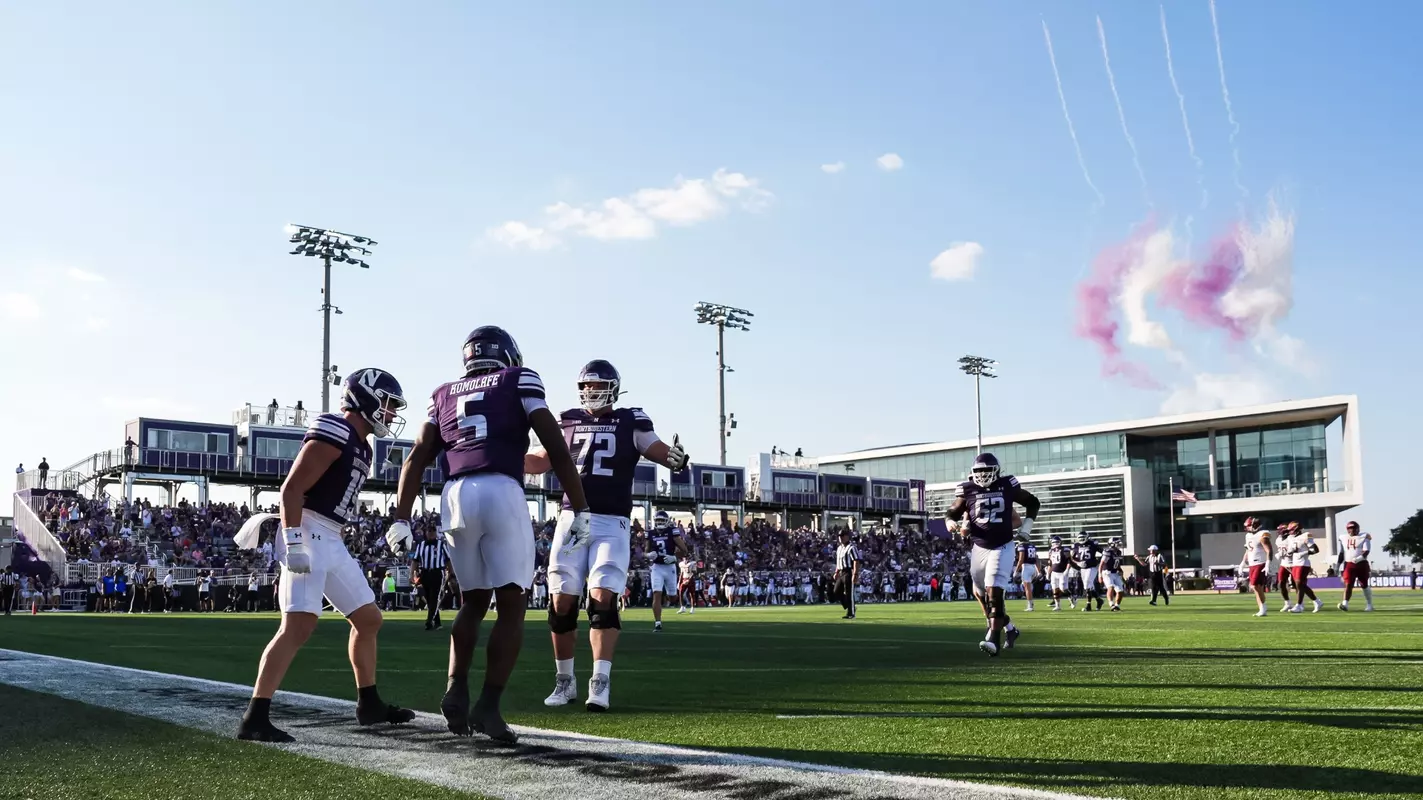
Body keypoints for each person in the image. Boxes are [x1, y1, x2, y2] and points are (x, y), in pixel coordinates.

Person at [387, 326, 589, 741]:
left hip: (455, 494)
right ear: (508, 353)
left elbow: (417, 457)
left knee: (473, 601)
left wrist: (401, 517)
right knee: (511, 605)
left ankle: (455, 687)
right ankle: (489, 708)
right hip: (500, 489)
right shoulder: (519, 378)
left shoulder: (442, 392)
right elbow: (554, 443)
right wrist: (580, 506)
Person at [232, 368, 416, 743]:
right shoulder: (336, 428)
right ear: (365, 397)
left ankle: (369, 704)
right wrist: (294, 541)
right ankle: (255, 717)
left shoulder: (362, 444)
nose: (392, 414)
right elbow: (292, 489)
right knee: (297, 626)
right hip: (309, 532)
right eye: (388, 404)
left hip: (330, 537)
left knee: (369, 619)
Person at [525, 359, 689, 712]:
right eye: (586, 386)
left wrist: (671, 458)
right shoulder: (566, 418)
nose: (591, 392)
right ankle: (564, 680)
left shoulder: (631, 419)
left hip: (611, 521)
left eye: (598, 386)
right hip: (572, 518)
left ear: (613, 387)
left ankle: (600, 681)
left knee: (602, 598)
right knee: (562, 601)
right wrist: (502, 457)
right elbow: (541, 458)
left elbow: (653, 446)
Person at [944, 453, 1042, 656]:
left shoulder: (1007, 485)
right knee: (981, 595)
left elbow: (1032, 503)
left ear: (997, 471)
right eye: (979, 471)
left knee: (994, 592)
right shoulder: (968, 490)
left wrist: (1027, 526)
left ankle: (994, 641)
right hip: (979, 548)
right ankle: (1010, 629)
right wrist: (949, 521)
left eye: (987, 471)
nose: (983, 475)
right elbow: (952, 511)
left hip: (1002, 545)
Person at [646, 511, 688, 632]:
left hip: (670, 567)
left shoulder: (672, 531)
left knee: (672, 597)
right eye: (657, 520)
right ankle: (657, 623)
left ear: (667, 521)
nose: (659, 523)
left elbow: (685, 550)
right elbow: (645, 551)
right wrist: (648, 555)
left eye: (661, 520)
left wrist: (675, 557)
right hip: (657, 567)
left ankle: (678, 599)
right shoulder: (650, 533)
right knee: (656, 593)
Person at [410, 527, 449, 629]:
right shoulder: (421, 545)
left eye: (433, 531)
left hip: (437, 572)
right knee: (428, 598)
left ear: (436, 533)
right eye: (429, 531)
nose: (431, 533)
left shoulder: (441, 544)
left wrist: (451, 573)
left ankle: (429, 620)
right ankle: (437, 623)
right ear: (426, 533)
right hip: (425, 573)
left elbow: (448, 559)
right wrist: (411, 575)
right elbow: (415, 560)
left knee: (434, 597)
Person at [1237, 517, 1273, 617]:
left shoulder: (1263, 534)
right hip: (1252, 564)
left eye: (1248, 526)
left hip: (1260, 563)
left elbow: (1269, 550)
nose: (1247, 528)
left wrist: (1268, 563)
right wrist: (1243, 562)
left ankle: (1263, 608)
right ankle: (1262, 609)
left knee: (1255, 586)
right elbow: (1248, 550)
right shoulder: (1248, 535)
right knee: (1255, 587)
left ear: (1255, 525)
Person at [1337, 520, 1374, 612]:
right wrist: (1337, 565)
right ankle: (1345, 603)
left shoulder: (1364, 536)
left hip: (1361, 563)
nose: (1351, 531)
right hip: (1349, 564)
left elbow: (1366, 551)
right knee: (1348, 584)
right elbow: (1341, 553)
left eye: (1353, 528)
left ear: (1357, 529)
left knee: (1364, 584)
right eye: (1349, 529)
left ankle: (1369, 604)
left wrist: (1358, 559)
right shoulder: (1343, 538)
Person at [1287, 522, 1322, 613]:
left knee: (1299, 583)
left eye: (1291, 530)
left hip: (1303, 563)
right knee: (1300, 585)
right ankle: (1317, 601)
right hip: (1295, 563)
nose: (1290, 532)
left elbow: (1315, 550)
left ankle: (1299, 605)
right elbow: (1291, 551)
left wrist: (1304, 553)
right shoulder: (1291, 538)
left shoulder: (1306, 536)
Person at [833, 530, 861, 619]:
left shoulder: (851, 547)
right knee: (836, 591)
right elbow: (838, 562)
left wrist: (855, 574)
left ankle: (851, 614)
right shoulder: (839, 548)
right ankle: (850, 607)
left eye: (842, 536)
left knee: (849, 593)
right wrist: (836, 572)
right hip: (841, 571)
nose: (840, 538)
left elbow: (856, 561)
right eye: (839, 536)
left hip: (849, 571)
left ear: (847, 537)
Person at [1045, 535, 1077, 611]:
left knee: (1063, 588)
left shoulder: (1065, 550)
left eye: (1057, 542)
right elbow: (1050, 563)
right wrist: (1048, 573)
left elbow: (1069, 561)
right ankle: (1057, 606)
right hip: (1054, 572)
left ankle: (1072, 598)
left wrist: (1067, 570)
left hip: (1062, 572)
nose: (1056, 543)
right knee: (1054, 589)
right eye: (1054, 542)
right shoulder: (1050, 551)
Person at [1074, 531, 1103, 611]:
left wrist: (1098, 561)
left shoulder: (1093, 544)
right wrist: (1078, 563)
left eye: (1083, 537)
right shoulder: (1076, 545)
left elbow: (1103, 552)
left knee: (1087, 584)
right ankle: (1099, 600)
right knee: (1088, 587)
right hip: (1083, 569)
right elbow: (1073, 557)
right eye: (1080, 538)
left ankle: (1088, 605)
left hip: (1092, 567)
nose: (1081, 539)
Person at [1099, 538, 1126, 612]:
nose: (1119, 544)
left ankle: (1117, 606)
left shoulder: (1119, 552)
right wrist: (1100, 575)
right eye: (1117, 543)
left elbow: (1116, 563)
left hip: (1115, 572)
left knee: (1120, 590)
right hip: (1107, 572)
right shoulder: (1107, 552)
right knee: (1110, 587)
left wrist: (1120, 569)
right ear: (1112, 544)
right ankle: (1111, 604)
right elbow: (1101, 564)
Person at [1014, 534, 1039, 612]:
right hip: (1033, 567)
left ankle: (1030, 606)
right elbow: (1037, 559)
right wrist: (1038, 570)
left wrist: (1016, 570)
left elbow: (1021, 559)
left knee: (1027, 588)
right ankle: (1030, 603)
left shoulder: (1021, 546)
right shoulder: (1032, 546)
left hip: (1026, 568)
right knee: (1027, 586)